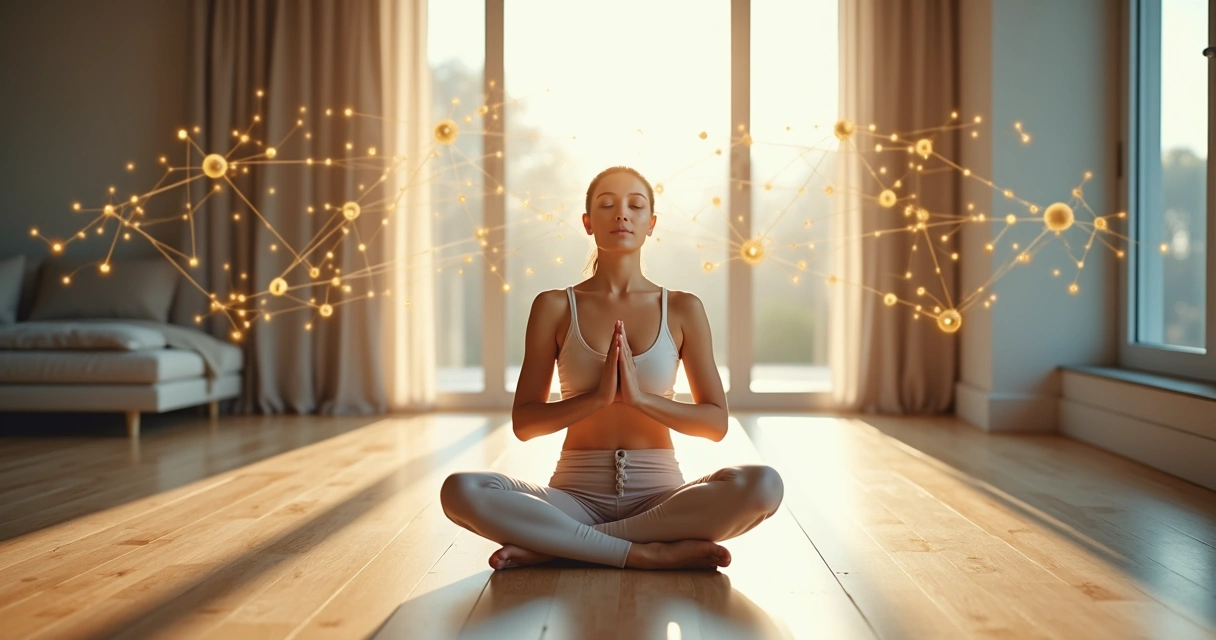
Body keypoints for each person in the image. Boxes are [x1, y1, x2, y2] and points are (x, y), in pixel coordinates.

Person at [440, 166, 784, 570]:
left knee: (764, 485)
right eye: (607, 205)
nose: (622, 214)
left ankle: (563, 546)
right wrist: (598, 398)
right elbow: (526, 423)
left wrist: (640, 399)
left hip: (661, 501)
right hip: (573, 499)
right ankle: (645, 553)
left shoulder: (683, 308)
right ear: (588, 223)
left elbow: (714, 423)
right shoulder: (553, 306)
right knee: (460, 490)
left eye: (635, 205)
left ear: (651, 224)